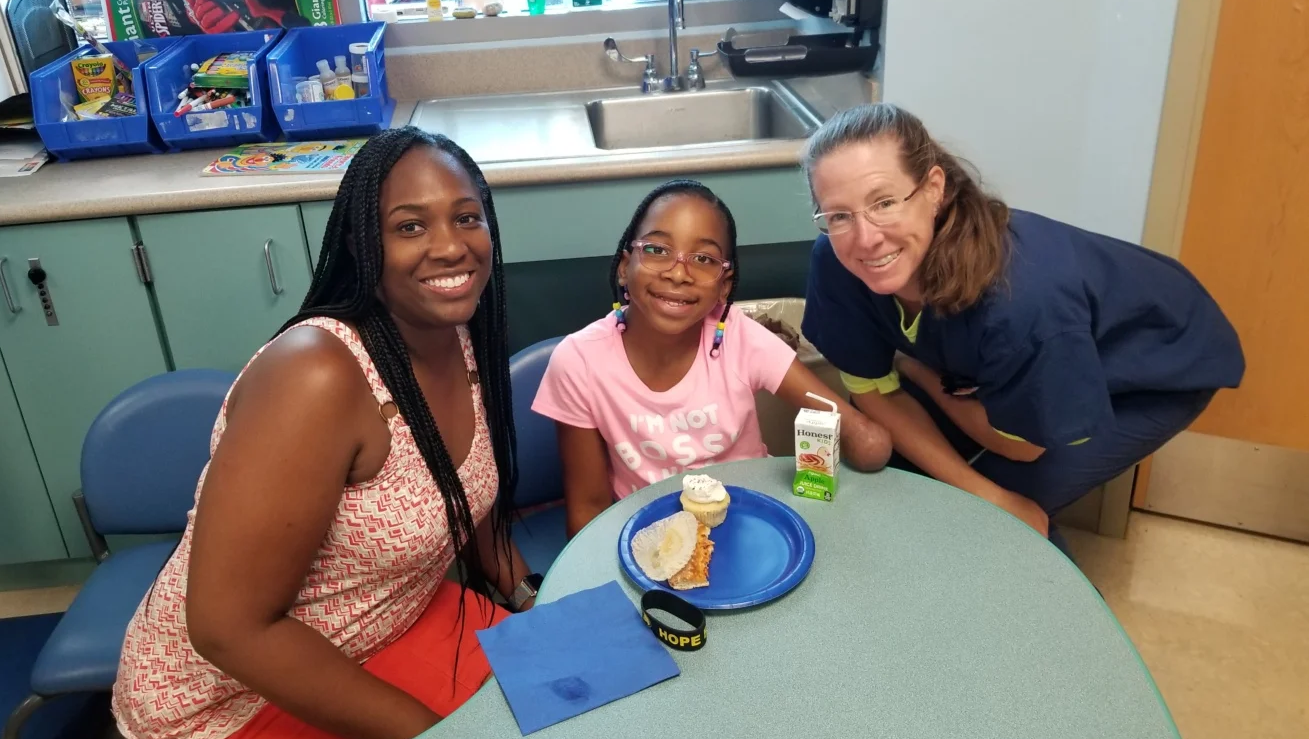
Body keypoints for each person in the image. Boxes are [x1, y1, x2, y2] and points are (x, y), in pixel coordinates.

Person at [112, 128, 540, 739]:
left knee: (559, 736)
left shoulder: (456, 331)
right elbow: (230, 629)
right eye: (409, 226)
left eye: (466, 216)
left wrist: (528, 600)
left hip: (390, 617)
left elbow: (470, 496)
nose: (450, 245)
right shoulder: (314, 374)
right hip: (229, 700)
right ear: (362, 248)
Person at [800, 103, 1244, 544]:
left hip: (1156, 364)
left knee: (987, 520)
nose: (866, 237)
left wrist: (992, 499)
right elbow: (875, 393)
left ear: (934, 188)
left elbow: (1021, 446)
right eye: (839, 215)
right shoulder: (838, 261)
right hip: (1028, 352)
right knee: (910, 483)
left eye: (885, 202)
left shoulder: (1020, 303)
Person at [533, 179, 892, 537]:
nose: (678, 272)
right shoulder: (578, 361)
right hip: (652, 534)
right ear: (624, 268)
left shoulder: (742, 339)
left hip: (750, 523)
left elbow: (863, 438)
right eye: (657, 250)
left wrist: (860, 442)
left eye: (703, 259)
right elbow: (588, 508)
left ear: (724, 285)